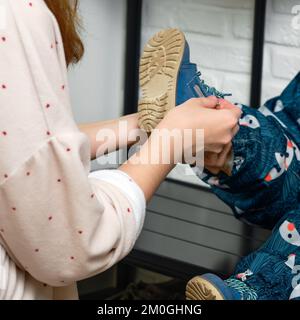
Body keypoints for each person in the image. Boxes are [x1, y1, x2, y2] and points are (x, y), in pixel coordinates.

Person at [0, 1, 240, 299]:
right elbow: (73, 245)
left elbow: (20, 150)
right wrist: (173, 141)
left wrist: (142, 126)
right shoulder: (15, 12)